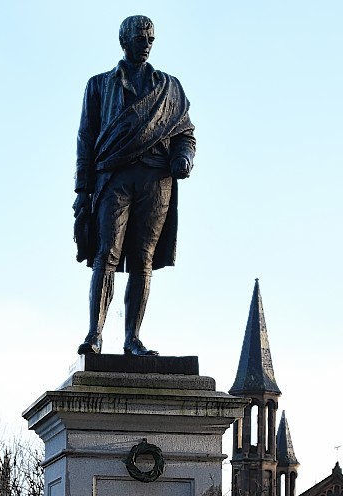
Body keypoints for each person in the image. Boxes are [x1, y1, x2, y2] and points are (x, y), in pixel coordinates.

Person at [74, 15, 196, 357]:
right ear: (124, 41)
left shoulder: (169, 87)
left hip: (156, 178)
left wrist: (183, 158)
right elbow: (86, 139)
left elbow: (185, 132)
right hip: (114, 176)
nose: (147, 44)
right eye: (141, 38)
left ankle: (132, 339)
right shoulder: (99, 85)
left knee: (143, 260)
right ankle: (94, 335)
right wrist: (82, 191)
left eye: (151, 39)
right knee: (106, 255)